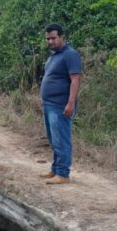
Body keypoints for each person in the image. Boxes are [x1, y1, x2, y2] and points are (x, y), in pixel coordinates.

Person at [39, 23, 82, 185]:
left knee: (61, 140)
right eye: (48, 39)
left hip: (60, 106)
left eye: (53, 38)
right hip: (49, 104)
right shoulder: (53, 55)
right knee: (53, 139)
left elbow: (75, 80)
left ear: (62, 37)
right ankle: (56, 168)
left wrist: (70, 103)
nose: (50, 41)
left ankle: (63, 174)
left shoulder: (70, 55)